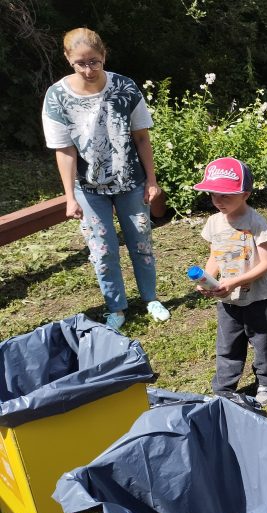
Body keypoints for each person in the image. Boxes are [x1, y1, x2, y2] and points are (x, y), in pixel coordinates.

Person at [42, 27, 170, 331]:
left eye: (95, 62)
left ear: (104, 56)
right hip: (88, 188)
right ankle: (116, 307)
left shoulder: (125, 88)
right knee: (102, 250)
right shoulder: (57, 97)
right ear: (68, 59)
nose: (88, 70)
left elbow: (141, 138)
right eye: (80, 63)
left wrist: (151, 180)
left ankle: (150, 298)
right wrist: (70, 197)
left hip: (130, 181)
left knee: (141, 241)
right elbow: (65, 151)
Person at [192, 157, 267, 406]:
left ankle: (266, 381)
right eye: (213, 195)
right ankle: (224, 387)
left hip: (258, 299)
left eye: (225, 196)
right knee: (228, 343)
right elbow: (215, 257)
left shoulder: (255, 222)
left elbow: (266, 263)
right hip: (227, 299)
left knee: (263, 343)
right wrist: (207, 280)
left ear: (245, 194)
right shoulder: (213, 222)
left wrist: (236, 281)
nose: (218, 201)